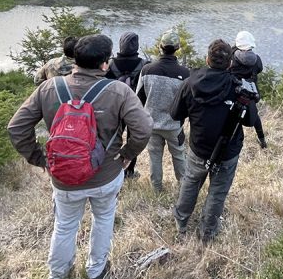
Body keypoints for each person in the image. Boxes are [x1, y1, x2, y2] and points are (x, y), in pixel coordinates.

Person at [7, 34, 152, 279]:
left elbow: (16, 127)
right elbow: (144, 128)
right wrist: (127, 155)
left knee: (64, 226)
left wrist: (41, 159)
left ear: (75, 60)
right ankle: (96, 272)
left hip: (63, 176)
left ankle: (58, 275)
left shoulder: (48, 88)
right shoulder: (119, 91)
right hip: (106, 175)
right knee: (104, 219)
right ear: (105, 64)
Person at [172, 39, 259, 243]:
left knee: (191, 183)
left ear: (207, 59)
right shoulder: (239, 87)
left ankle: (181, 222)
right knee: (218, 191)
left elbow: (176, 113)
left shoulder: (190, 83)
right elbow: (251, 121)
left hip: (199, 147)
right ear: (230, 63)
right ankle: (207, 232)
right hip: (228, 150)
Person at [135, 30, 190, 191]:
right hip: (174, 125)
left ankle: (156, 188)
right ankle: (184, 189)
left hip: (152, 123)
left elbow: (139, 98)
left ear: (160, 46)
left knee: (154, 157)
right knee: (179, 156)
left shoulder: (147, 70)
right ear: (178, 47)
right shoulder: (184, 73)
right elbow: (187, 102)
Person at [106, 31, 148, 179]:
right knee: (133, 140)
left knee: (113, 138)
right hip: (135, 107)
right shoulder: (144, 65)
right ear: (136, 45)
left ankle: (110, 167)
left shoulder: (110, 64)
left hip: (114, 108)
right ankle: (129, 170)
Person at [229, 30, 267, 148]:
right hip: (250, 93)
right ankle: (262, 140)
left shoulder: (231, 57)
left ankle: (230, 141)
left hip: (233, 92)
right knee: (254, 115)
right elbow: (259, 69)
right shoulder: (257, 60)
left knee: (230, 117)